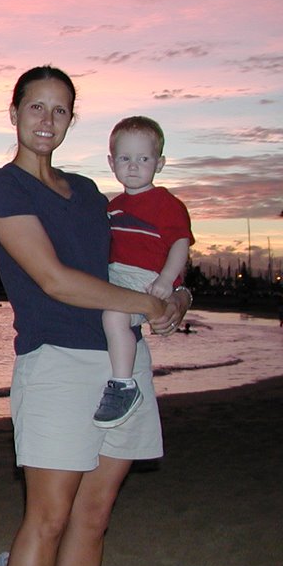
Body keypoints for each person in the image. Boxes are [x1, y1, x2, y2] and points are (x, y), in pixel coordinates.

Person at [0, 65, 191, 566]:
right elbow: (55, 280)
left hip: (123, 364)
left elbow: (136, 263)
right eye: (36, 107)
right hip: (57, 363)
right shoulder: (3, 187)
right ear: (15, 112)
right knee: (47, 519)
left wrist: (175, 294)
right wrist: (144, 307)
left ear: (72, 119)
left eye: (60, 110)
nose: (47, 120)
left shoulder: (93, 193)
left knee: (92, 520)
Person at [94, 117, 194, 428]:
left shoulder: (166, 203)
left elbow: (180, 244)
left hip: (145, 276)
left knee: (114, 315)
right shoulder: (113, 206)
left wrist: (167, 281)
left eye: (143, 159)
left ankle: (123, 384)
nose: (133, 166)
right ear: (112, 163)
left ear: (160, 163)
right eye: (125, 159)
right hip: (117, 273)